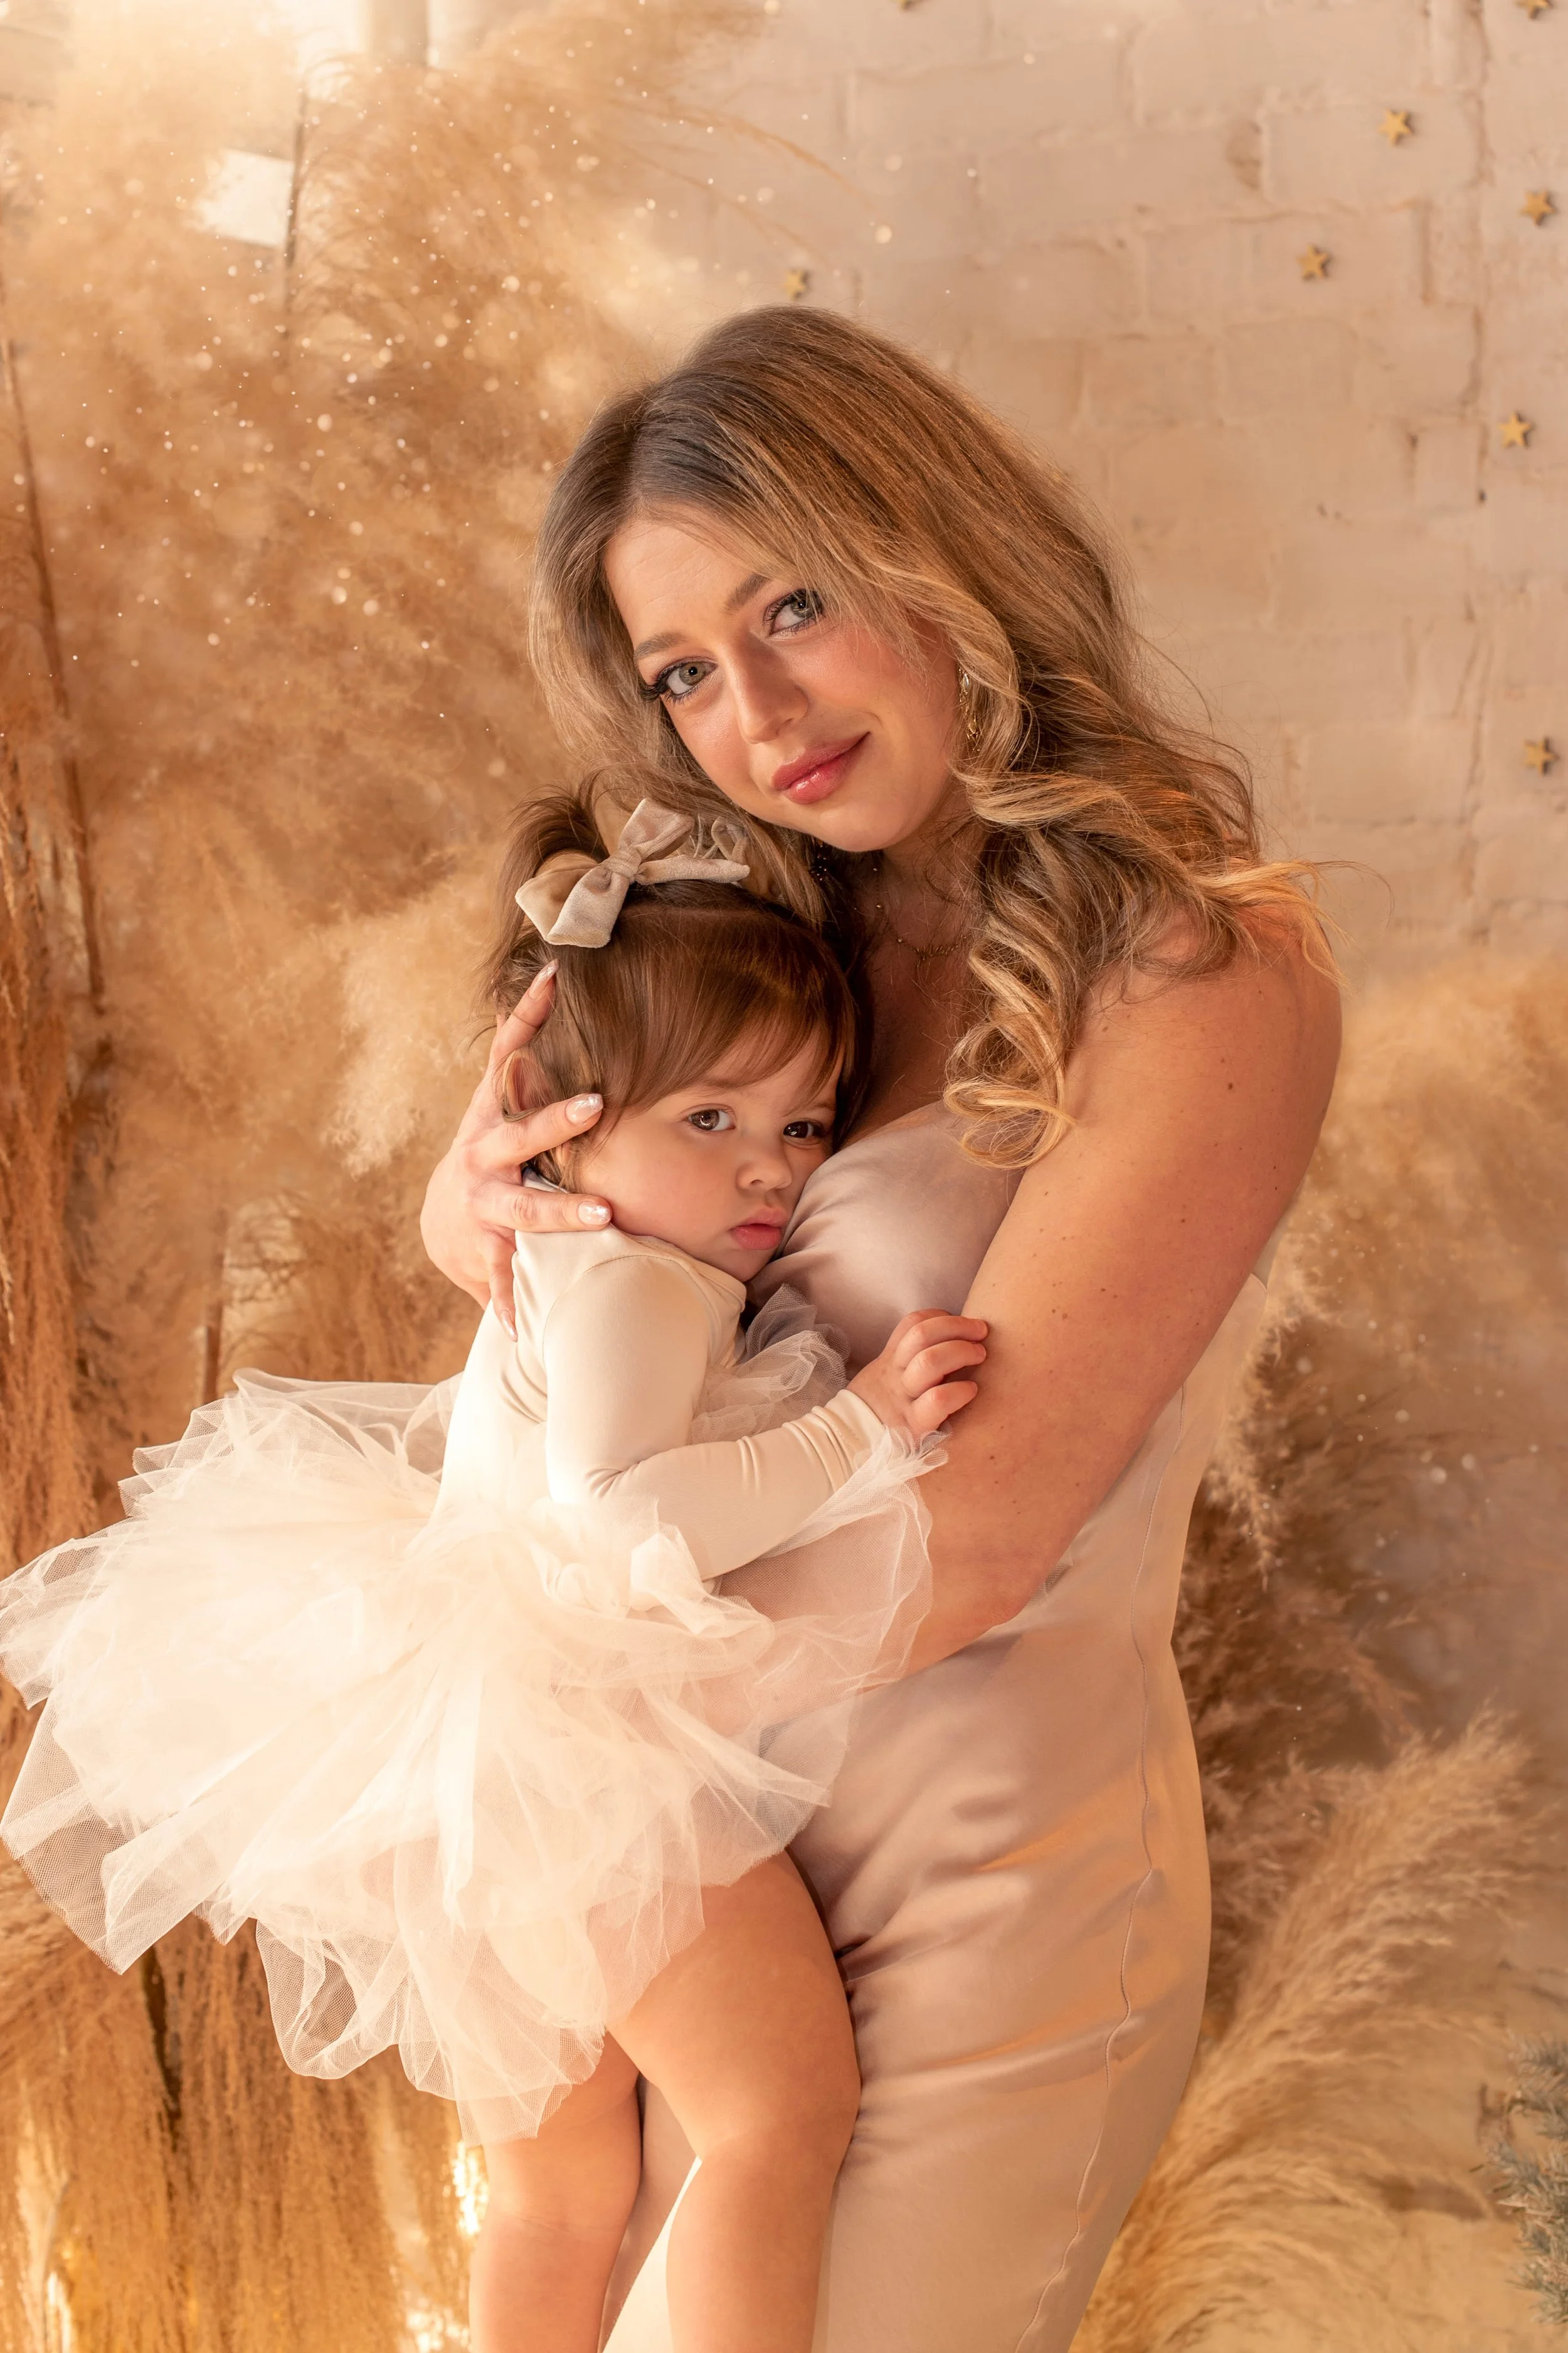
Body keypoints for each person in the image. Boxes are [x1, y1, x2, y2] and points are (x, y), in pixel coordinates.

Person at [419, 306, 1343, 2352]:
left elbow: (991, 1522)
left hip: (975, 1876)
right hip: (697, 1870)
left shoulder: (1198, 959)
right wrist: (465, 1206)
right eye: (682, 669)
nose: (752, 711)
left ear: (942, 551)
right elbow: (587, 1338)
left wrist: (557, 1732)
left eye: (796, 605)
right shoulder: (748, 945)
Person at [0, 800, 987, 2353]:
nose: (768, 1173)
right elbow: (615, 1518)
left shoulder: (585, 1258)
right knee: (774, 2115)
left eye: (802, 1127)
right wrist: (856, 1433)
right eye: (709, 1121)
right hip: (576, 1768)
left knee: (552, 2198)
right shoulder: (640, 1286)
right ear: (561, 1119)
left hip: (466, 1786)